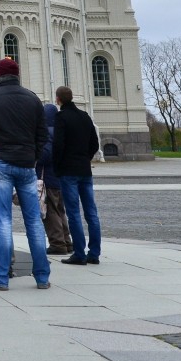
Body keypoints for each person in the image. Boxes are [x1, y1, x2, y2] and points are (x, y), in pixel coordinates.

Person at [0, 59, 51, 291]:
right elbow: (42, 134)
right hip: (26, 166)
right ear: (17, 74)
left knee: (3, 221)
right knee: (34, 221)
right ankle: (42, 277)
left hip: (1, 164)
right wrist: (32, 156)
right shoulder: (32, 98)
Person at [51, 85, 102, 265]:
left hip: (68, 171)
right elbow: (94, 143)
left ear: (58, 99)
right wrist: (85, 157)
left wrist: (58, 165)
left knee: (73, 213)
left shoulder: (61, 117)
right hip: (84, 170)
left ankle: (79, 253)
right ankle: (94, 253)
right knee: (91, 212)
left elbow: (58, 145)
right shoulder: (84, 116)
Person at [40, 100, 73, 257]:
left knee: (51, 212)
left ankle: (57, 243)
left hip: (49, 179)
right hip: (61, 178)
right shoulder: (61, 131)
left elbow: (45, 155)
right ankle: (66, 241)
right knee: (61, 211)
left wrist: (34, 158)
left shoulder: (47, 133)